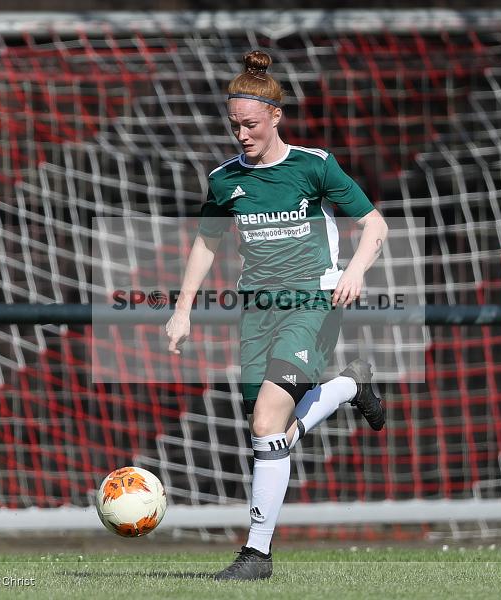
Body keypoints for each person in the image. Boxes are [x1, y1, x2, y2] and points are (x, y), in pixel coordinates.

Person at [164, 50, 388, 581]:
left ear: (275, 117)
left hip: (312, 304)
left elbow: (375, 226)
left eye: (251, 124)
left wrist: (353, 271)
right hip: (257, 313)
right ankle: (350, 388)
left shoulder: (314, 166)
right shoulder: (224, 181)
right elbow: (205, 244)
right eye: (235, 125)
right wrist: (181, 310)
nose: (241, 134)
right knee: (272, 433)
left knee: (268, 423)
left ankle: (256, 556)